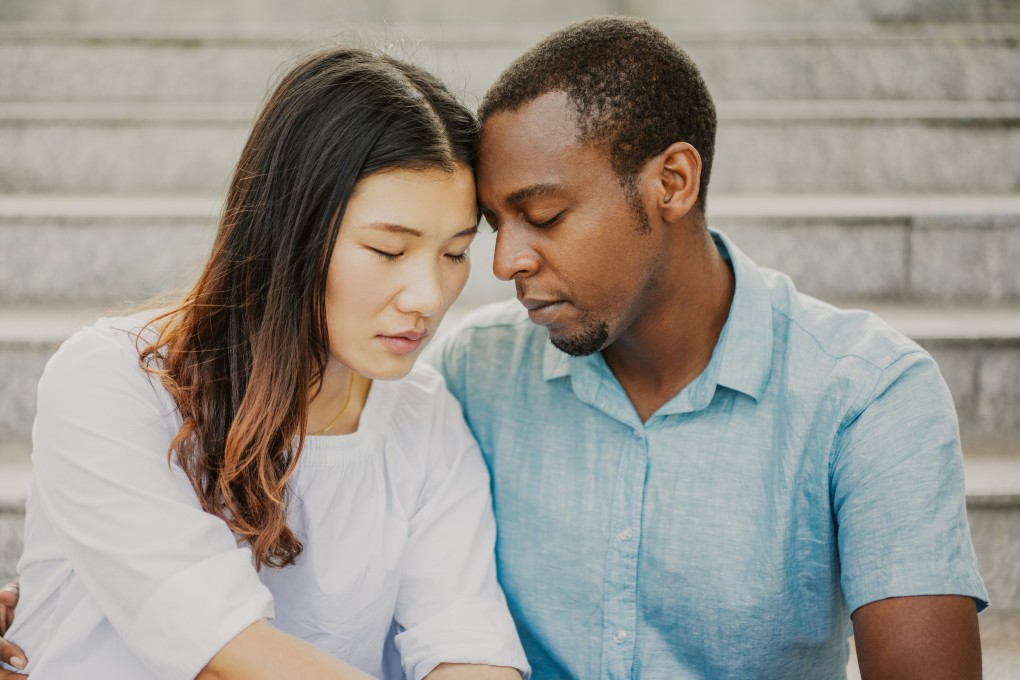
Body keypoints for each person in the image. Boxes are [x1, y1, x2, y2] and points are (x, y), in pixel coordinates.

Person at [423, 16, 986, 679]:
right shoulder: (471, 373)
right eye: (496, 226)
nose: (507, 260)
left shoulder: (866, 394)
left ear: (672, 184)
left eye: (543, 216)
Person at [0, 47, 528, 679]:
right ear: (291, 230)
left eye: (455, 253)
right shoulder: (111, 381)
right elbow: (225, 652)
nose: (429, 296)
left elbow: (466, 642)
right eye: (388, 250)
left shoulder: (426, 417)